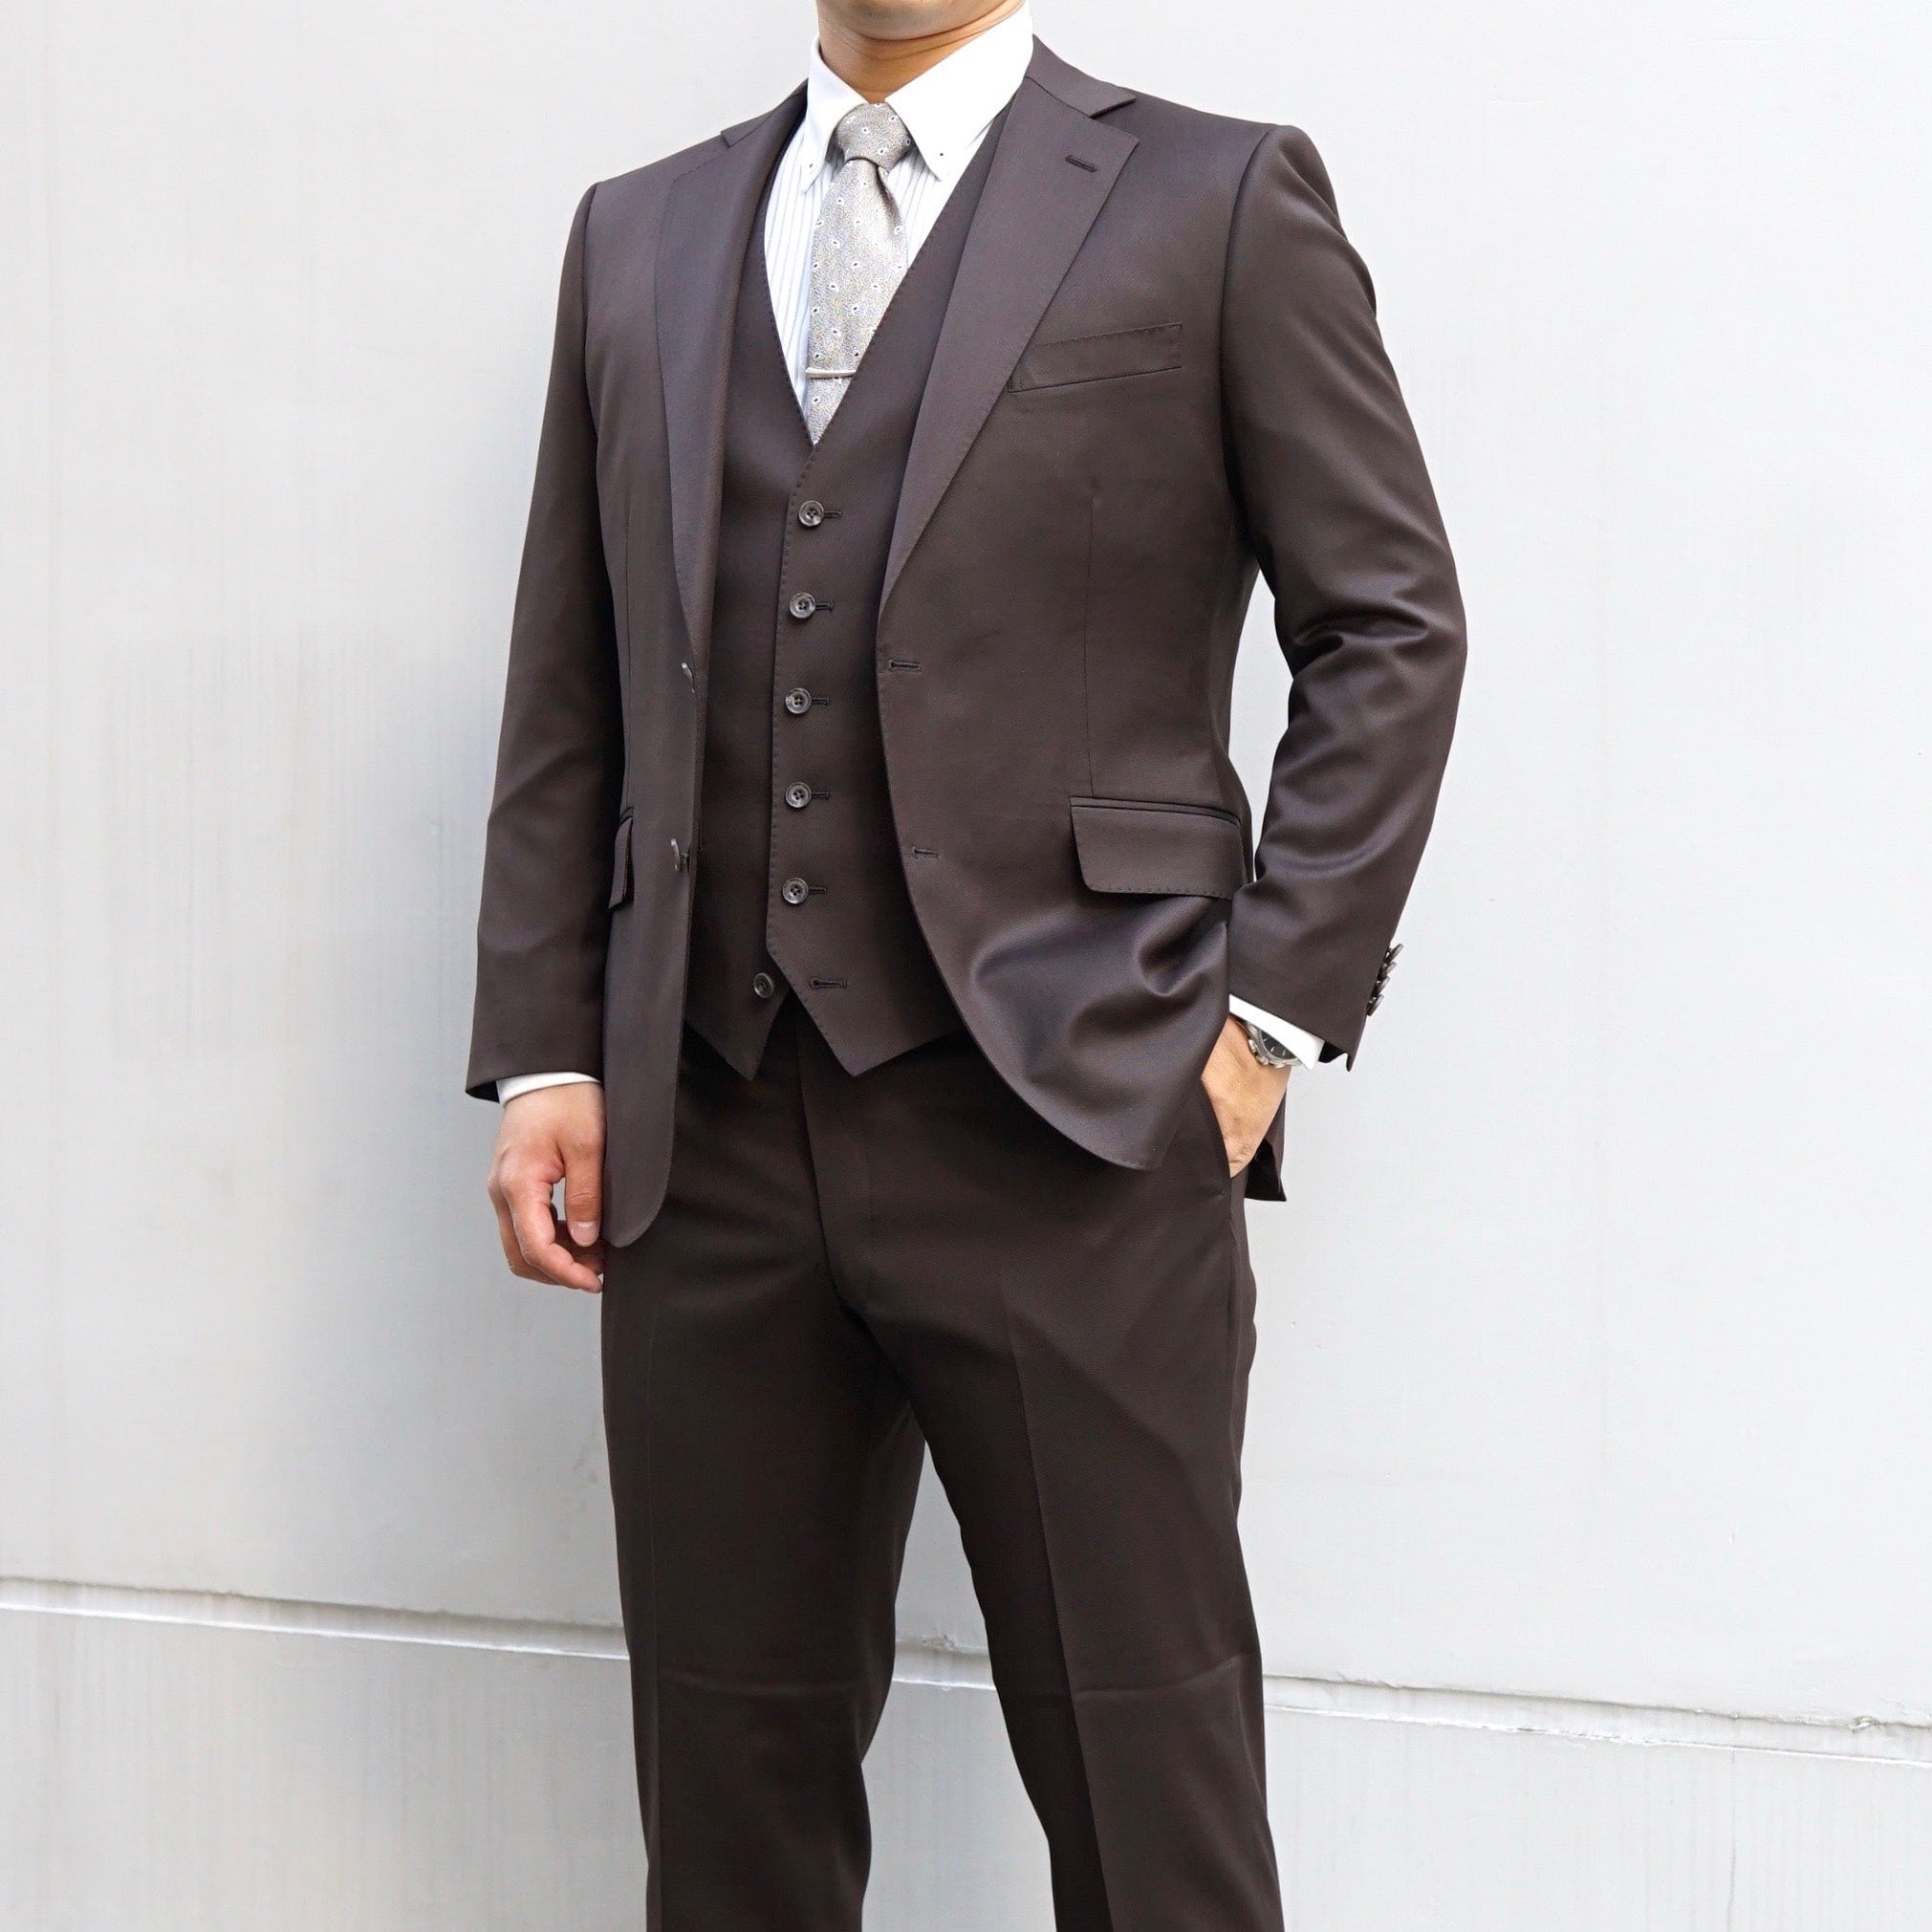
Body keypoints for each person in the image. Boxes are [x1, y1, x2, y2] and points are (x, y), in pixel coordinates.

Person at [468, 0, 1465, 1922]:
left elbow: (1390, 625)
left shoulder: (1215, 198)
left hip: (1078, 1122)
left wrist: (1259, 1028)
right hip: (708, 1135)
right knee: (729, 1826)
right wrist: (548, 1054)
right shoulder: (638, 231)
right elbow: (569, 677)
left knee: (1149, 1814)